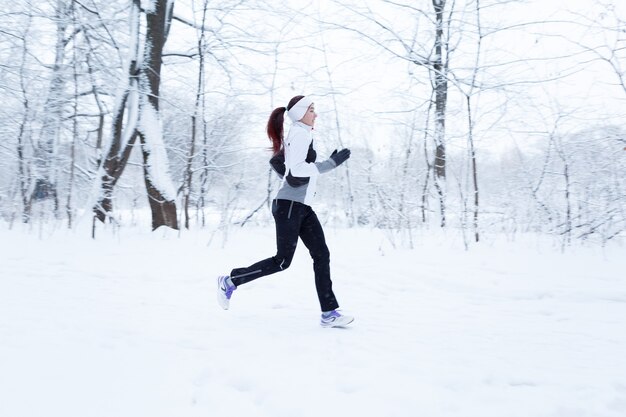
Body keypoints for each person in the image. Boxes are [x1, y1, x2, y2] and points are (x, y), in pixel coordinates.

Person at [217, 95, 353, 328]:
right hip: (290, 206)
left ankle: (329, 312)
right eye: (311, 110)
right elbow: (298, 169)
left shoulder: (300, 134)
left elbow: (283, 165)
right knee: (282, 261)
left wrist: (293, 177)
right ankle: (231, 281)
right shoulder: (300, 133)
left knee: (322, 254)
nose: (315, 114)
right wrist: (330, 164)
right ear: (300, 113)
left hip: (300, 206)